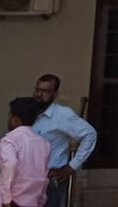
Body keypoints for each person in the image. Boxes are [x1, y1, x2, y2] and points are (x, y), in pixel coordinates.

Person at [31, 74, 97, 207]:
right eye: (37, 90)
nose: (39, 94)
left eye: (45, 91)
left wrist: (72, 166)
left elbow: (90, 134)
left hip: (50, 178)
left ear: (55, 94)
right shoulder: (30, 112)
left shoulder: (62, 114)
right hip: (28, 177)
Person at [0, 97, 51, 207]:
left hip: (10, 203)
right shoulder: (44, 143)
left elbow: (9, 165)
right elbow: (44, 174)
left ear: (15, 120)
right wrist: (41, 200)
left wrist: (6, 199)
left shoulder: (10, 140)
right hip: (33, 202)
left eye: (9, 116)